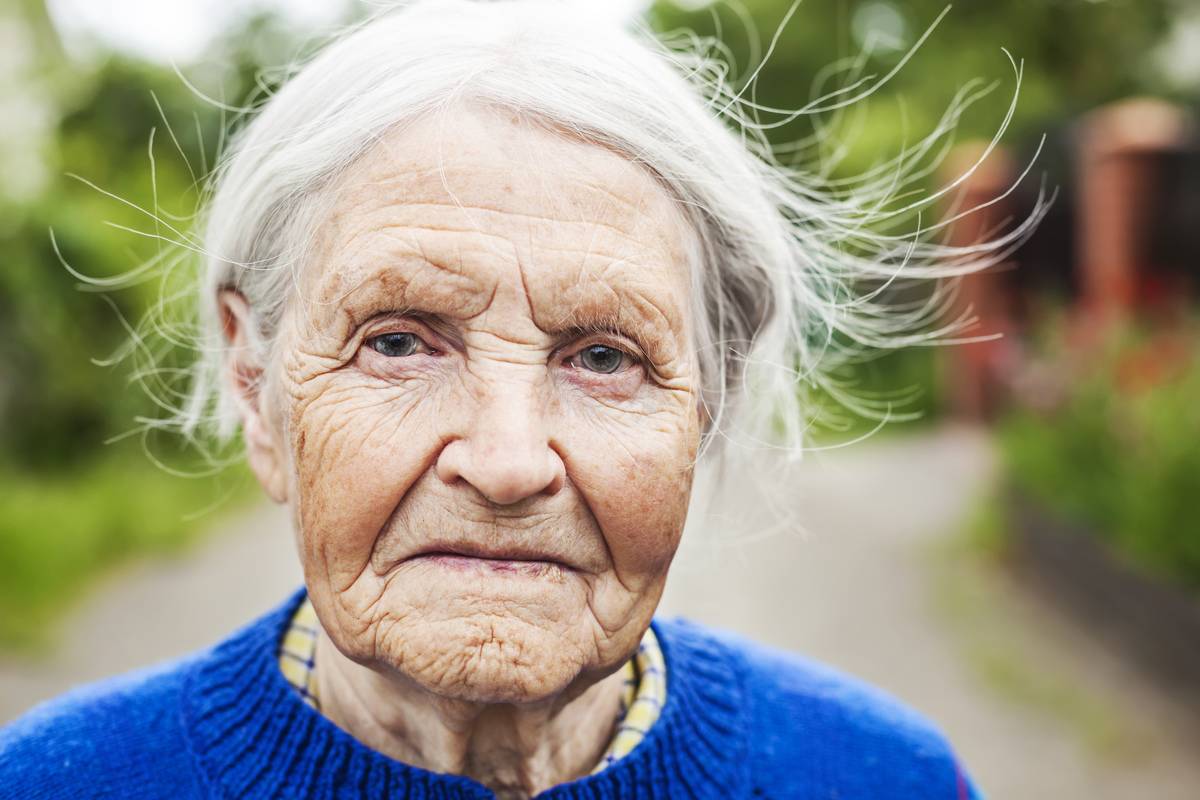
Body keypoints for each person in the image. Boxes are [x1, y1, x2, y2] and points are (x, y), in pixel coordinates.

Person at [0, 1, 1009, 797]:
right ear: (255, 384)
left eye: (606, 358)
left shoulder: (887, 777)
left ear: (711, 400)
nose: (508, 458)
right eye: (397, 340)